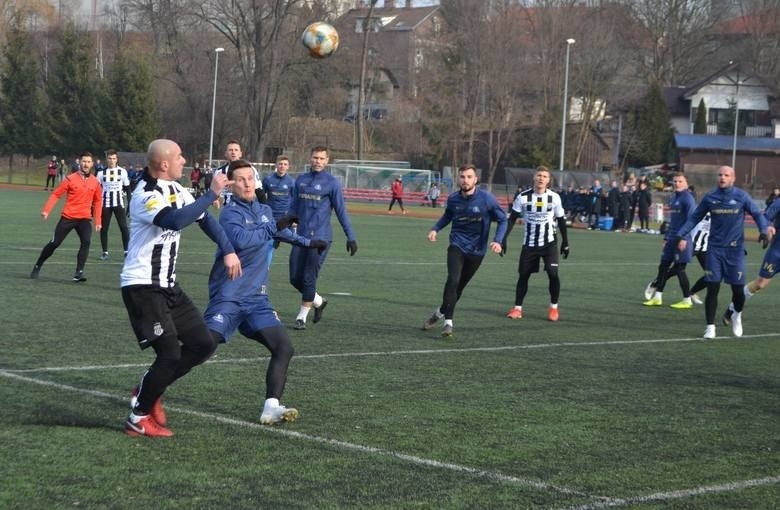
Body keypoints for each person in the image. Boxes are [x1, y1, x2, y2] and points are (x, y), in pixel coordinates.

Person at [121, 139, 241, 438]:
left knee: (203, 344)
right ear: (163, 164)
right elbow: (174, 221)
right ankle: (138, 417)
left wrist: (228, 250)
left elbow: (205, 220)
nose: (184, 160)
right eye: (179, 156)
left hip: (167, 286)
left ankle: (149, 389)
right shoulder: (144, 194)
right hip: (143, 287)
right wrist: (211, 193)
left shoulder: (177, 189)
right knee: (170, 353)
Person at [204, 159, 327, 425]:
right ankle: (150, 388)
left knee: (283, 347)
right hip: (229, 296)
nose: (247, 183)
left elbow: (279, 234)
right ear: (231, 185)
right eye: (241, 179)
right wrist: (275, 226)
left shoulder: (263, 209)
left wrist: (308, 242)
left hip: (256, 299)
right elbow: (242, 241)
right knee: (202, 347)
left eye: (250, 178)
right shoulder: (230, 213)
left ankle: (271, 406)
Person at [676, 166, 768, 339]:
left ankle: (737, 315)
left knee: (738, 291)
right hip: (715, 250)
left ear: (733, 178)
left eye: (726, 175)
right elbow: (694, 218)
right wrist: (681, 234)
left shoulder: (741, 196)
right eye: (720, 175)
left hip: (735, 251)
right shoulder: (710, 197)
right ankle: (710, 327)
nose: (722, 177)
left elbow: (756, 213)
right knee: (712, 287)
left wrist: (763, 230)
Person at [422, 164, 507, 337]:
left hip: (477, 251)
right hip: (457, 245)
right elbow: (447, 215)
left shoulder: (486, 199)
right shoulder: (453, 199)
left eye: (469, 177)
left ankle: (439, 313)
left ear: (475, 179)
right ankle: (448, 323)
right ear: (458, 179)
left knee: (458, 288)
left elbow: (503, 219)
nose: (465, 180)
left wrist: (498, 241)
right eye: (462, 177)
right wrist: (435, 229)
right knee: (452, 280)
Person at [288, 146, 358, 330]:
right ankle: (318, 301)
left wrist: (351, 237)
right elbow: (293, 207)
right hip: (300, 237)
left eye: (321, 158)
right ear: (310, 159)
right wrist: (283, 228)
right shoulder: (301, 180)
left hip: (320, 239)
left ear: (327, 161)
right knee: (295, 278)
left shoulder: (332, 183)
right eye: (315, 157)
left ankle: (301, 317)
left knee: (309, 277)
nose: (317, 161)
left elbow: (341, 211)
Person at [502, 166, 569, 322]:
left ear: (548, 180)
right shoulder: (523, 197)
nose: (541, 178)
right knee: (523, 275)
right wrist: (503, 238)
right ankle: (517, 309)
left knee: (553, 274)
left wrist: (565, 242)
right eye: (539, 175)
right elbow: (512, 219)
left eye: (545, 176)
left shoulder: (554, 197)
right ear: (534, 177)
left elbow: (561, 220)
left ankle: (553, 308)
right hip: (529, 244)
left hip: (549, 243)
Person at [30, 152, 102, 282]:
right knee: (54, 243)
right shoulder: (70, 179)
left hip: (84, 219)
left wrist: (98, 220)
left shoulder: (95, 182)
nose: (86, 164)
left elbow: (97, 201)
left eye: (88, 162)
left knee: (86, 242)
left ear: (92, 164)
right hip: (68, 217)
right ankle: (38, 265)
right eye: (84, 161)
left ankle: (78, 273)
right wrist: (46, 210)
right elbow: (56, 194)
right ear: (79, 162)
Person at [642, 173, 697, 308]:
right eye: (675, 181)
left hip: (682, 239)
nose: (677, 183)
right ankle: (657, 297)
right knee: (663, 268)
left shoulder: (688, 199)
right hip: (671, 238)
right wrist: (666, 237)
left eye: (680, 181)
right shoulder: (673, 198)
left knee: (679, 269)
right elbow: (673, 221)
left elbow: (692, 221)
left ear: (686, 183)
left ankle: (687, 300)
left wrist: (684, 238)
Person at [722, 197, 780, 324]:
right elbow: (764, 217)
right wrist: (767, 229)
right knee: (760, 284)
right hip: (777, 252)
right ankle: (732, 309)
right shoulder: (778, 202)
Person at [96, 149, 131, 260]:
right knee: (104, 228)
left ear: (117, 160)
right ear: (106, 159)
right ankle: (105, 252)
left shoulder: (123, 172)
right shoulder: (101, 173)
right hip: (105, 204)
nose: (112, 161)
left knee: (124, 228)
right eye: (110, 158)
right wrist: (94, 205)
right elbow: (96, 190)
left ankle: (126, 251)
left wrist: (130, 204)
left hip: (119, 203)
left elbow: (128, 189)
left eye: (114, 158)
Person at [262, 155, 296, 266]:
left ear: (288, 167)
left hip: (286, 219)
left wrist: (294, 218)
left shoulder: (292, 182)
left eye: (285, 164)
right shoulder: (268, 180)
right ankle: (265, 271)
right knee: (268, 246)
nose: (282, 166)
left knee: (297, 243)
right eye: (280, 164)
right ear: (276, 165)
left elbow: (295, 201)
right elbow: (261, 198)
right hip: (271, 218)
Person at [213, 140, 266, 208]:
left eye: (236, 150)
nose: (233, 152)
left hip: (246, 210)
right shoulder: (219, 172)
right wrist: (215, 201)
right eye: (230, 150)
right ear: (226, 153)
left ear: (240, 153)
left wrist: (264, 211)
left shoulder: (250, 169)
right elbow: (215, 194)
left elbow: (260, 192)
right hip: (228, 211)